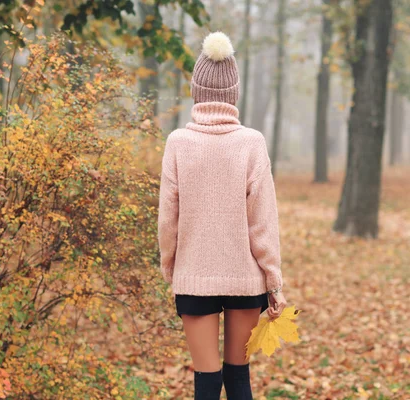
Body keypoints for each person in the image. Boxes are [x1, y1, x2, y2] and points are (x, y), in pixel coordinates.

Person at [158, 31, 287, 400]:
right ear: (234, 93)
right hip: (246, 280)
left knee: (206, 385)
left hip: (194, 276)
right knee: (239, 379)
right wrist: (273, 280)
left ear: (196, 90)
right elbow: (263, 221)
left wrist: (171, 266)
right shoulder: (252, 143)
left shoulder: (178, 143)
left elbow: (169, 217)